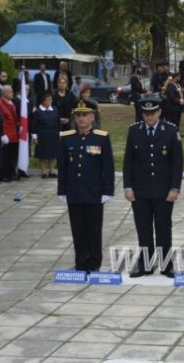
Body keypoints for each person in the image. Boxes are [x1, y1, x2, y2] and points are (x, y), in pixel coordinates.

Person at [123, 98, 183, 278]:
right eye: (146, 114)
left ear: (159, 113)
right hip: (140, 189)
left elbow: (177, 162)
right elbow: (129, 161)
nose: (149, 117)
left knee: (163, 228)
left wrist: (175, 188)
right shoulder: (134, 131)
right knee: (143, 228)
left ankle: (166, 265)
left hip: (163, 190)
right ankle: (145, 265)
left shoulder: (171, 131)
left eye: (153, 113)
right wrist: (127, 186)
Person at [57, 100, 114, 273]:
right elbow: (63, 167)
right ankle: (81, 262)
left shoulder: (101, 138)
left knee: (94, 230)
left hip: (94, 192)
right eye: (78, 115)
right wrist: (62, 190)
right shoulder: (67, 138)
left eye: (85, 115)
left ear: (92, 117)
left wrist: (108, 190)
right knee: (78, 230)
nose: (81, 119)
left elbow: (108, 167)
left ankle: (94, 263)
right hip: (74, 192)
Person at [31, 92, 60, 178]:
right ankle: (43, 172)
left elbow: (58, 123)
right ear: (43, 101)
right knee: (42, 154)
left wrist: (60, 133)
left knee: (53, 154)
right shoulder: (38, 111)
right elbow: (34, 125)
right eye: (48, 100)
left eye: (51, 100)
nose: (50, 101)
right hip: (42, 135)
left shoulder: (55, 109)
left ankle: (52, 170)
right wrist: (35, 137)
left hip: (54, 134)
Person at [0, 86, 19, 182]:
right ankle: (3, 174)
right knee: (5, 156)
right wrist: (3, 134)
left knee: (12, 155)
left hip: (14, 133)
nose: (12, 93)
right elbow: (0, 121)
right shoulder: (0, 104)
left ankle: (11, 172)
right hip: (6, 134)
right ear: (4, 93)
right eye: (10, 91)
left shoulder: (11, 103)